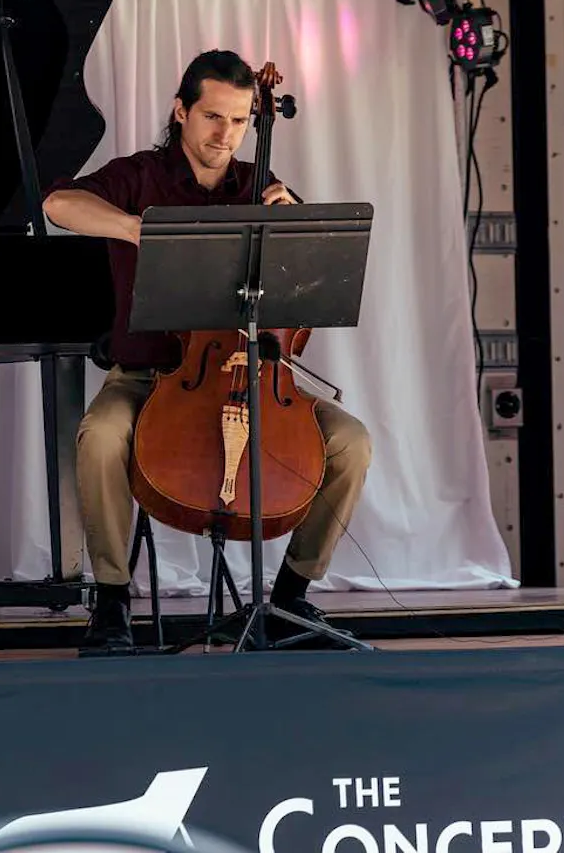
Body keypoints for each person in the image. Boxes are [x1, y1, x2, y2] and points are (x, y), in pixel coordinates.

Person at [42, 50, 373, 651]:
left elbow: (303, 300)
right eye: (213, 117)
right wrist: (134, 227)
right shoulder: (139, 174)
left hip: (252, 374)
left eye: (241, 121)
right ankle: (113, 600)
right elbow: (58, 204)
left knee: (351, 441)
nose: (226, 135)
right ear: (181, 112)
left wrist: (299, 235)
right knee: (100, 436)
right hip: (148, 377)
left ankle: (292, 598)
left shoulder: (263, 186)